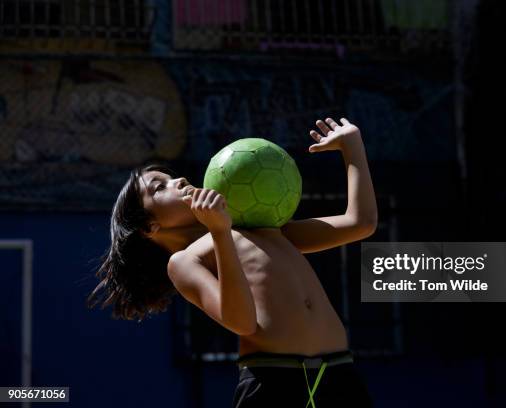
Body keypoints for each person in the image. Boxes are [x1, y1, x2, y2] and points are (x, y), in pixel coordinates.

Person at [88, 117, 377, 407]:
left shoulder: (262, 226)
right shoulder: (185, 262)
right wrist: (219, 232)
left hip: (339, 373)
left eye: (170, 177)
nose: (178, 180)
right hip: (274, 381)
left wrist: (353, 148)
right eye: (158, 188)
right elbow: (242, 322)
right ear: (150, 227)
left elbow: (360, 223)